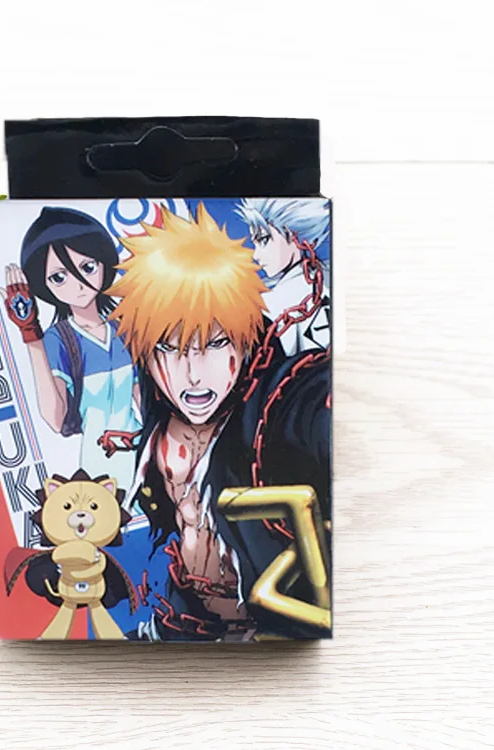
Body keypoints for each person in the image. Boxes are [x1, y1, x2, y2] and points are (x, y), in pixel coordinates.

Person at [104, 203, 331, 641]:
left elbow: (312, 410)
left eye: (216, 343)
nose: (193, 374)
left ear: (246, 337)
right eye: (168, 348)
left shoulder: (278, 403)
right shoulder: (153, 405)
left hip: (273, 629)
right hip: (183, 620)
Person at [0, 206, 141, 487]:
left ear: (103, 264)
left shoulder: (124, 327)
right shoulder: (59, 339)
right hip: (99, 466)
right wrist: (30, 335)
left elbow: (144, 400)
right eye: (59, 277)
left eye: (88, 268)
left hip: (144, 452)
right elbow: (55, 418)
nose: (78, 285)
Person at [236, 198, 331, 355]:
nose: (256, 255)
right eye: (255, 244)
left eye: (264, 240)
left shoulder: (269, 306)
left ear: (292, 235)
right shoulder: (328, 278)